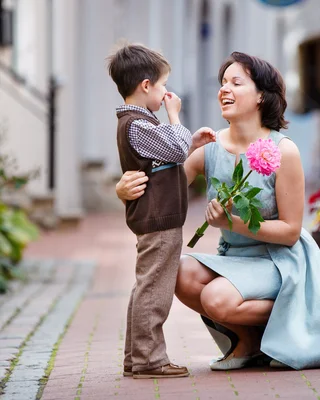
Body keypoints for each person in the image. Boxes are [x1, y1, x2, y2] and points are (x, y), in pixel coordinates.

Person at [116, 51, 320, 371]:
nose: (224, 89)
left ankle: (298, 316)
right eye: (222, 83)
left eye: (236, 82)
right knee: (175, 273)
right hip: (234, 258)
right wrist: (122, 191)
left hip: (278, 260)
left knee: (216, 299)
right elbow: (159, 195)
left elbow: (290, 232)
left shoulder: (283, 151)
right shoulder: (210, 149)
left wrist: (230, 221)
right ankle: (248, 342)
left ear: (261, 95)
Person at [107, 43, 216, 379]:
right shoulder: (138, 124)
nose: (166, 92)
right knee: (155, 288)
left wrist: (191, 143)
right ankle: (149, 359)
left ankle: (136, 356)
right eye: (162, 85)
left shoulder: (139, 124)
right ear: (145, 86)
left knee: (147, 285)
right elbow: (172, 146)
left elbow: (170, 154)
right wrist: (175, 117)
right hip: (158, 218)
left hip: (156, 217)